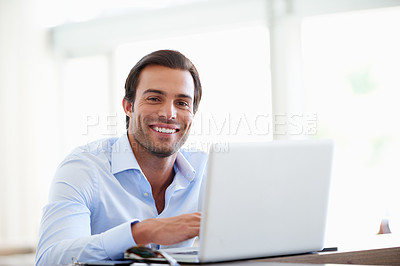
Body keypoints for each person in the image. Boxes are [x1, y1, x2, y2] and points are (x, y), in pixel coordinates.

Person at [35, 50, 208, 265]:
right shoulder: (84, 167)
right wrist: (142, 232)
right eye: (154, 98)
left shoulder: (207, 171)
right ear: (128, 106)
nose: (169, 114)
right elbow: (50, 259)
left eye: (182, 103)